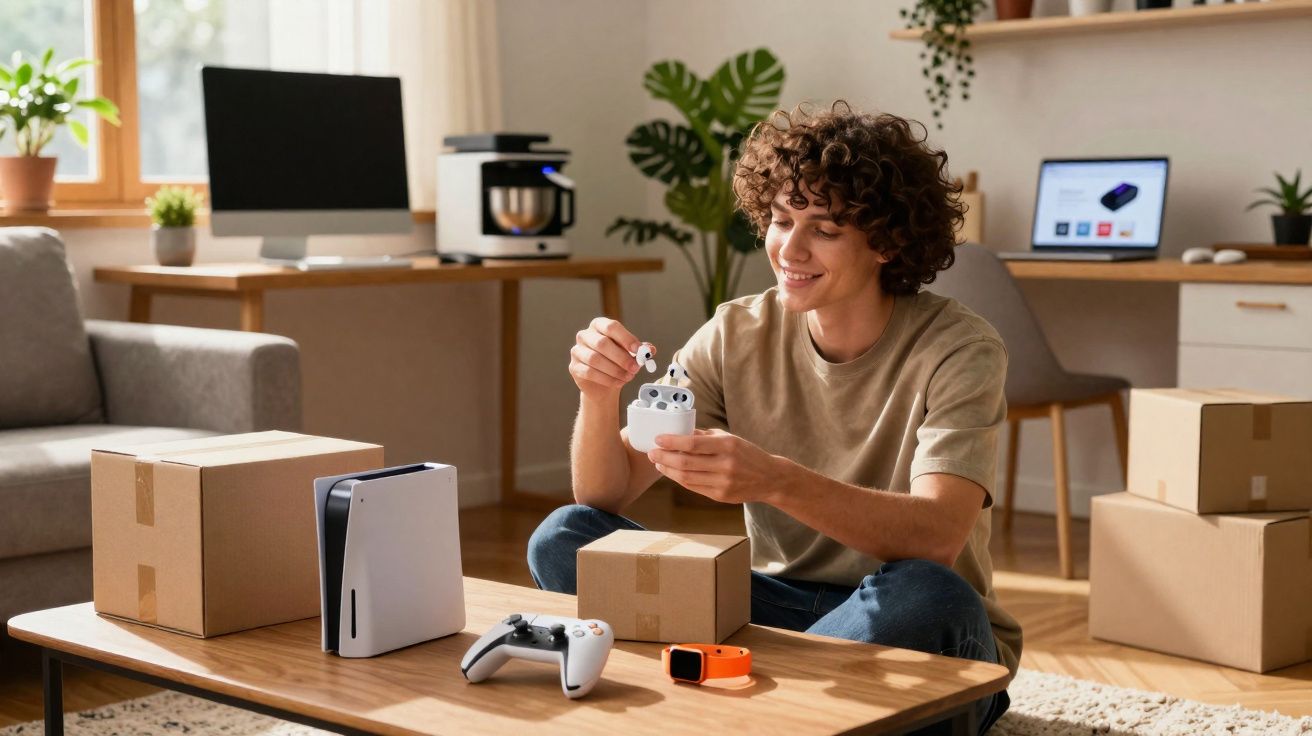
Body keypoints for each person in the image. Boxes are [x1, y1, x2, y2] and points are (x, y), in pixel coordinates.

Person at [528, 101, 1020, 734]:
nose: (790, 247)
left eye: (825, 229)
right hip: (768, 608)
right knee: (565, 536)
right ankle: (784, 701)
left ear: (887, 242)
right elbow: (604, 493)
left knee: (932, 594)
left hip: (896, 614)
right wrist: (596, 396)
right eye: (782, 219)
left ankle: (743, 694)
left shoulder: (959, 348)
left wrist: (775, 480)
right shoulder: (736, 330)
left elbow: (936, 537)